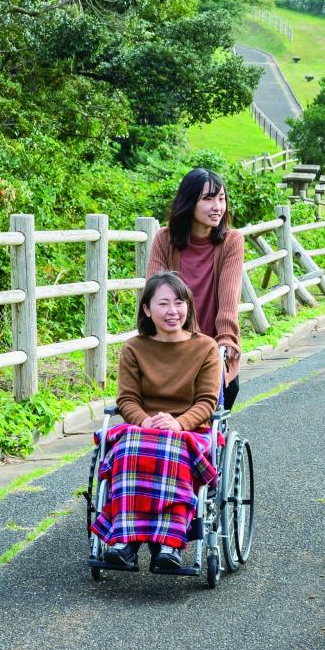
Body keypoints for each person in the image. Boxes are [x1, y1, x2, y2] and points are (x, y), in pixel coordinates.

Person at [92, 271, 223, 574]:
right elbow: (127, 400)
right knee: (127, 450)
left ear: (188, 307)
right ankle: (124, 542)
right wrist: (147, 421)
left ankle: (170, 543)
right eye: (163, 304)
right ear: (147, 310)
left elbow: (207, 402)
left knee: (174, 451)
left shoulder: (205, 348)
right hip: (143, 428)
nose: (172, 311)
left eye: (179, 303)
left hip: (190, 429)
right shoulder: (134, 348)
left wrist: (178, 424)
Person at [147, 166, 246, 410]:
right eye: (208, 199)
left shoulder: (232, 241)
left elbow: (228, 299)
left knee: (218, 399)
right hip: (170, 344)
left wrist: (226, 340)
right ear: (189, 202)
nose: (217, 207)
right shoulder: (164, 239)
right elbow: (155, 294)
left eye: (221, 199)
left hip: (213, 346)